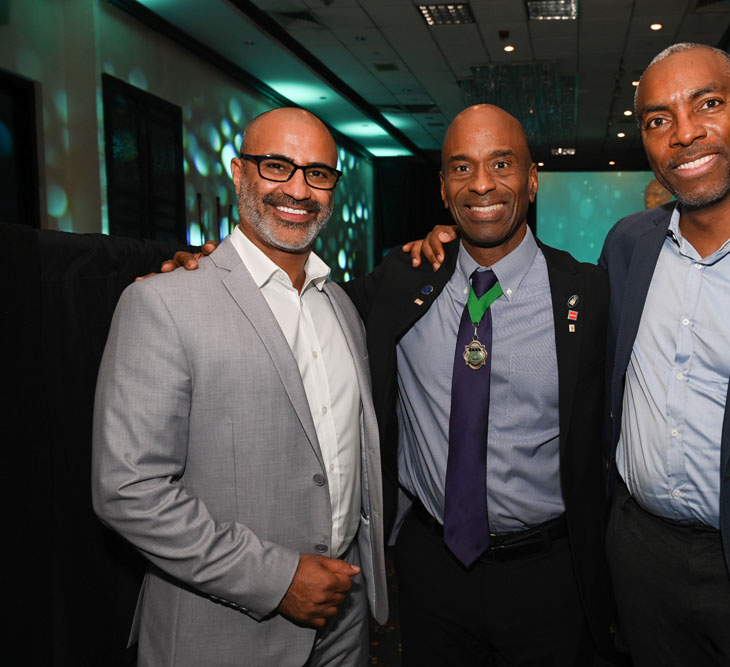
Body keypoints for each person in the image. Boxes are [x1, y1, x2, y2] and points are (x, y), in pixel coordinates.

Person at [414, 44, 730, 667]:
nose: (684, 133)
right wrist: (451, 244)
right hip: (639, 564)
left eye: (707, 105)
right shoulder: (628, 247)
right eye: (659, 119)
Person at [162, 104, 616, 664]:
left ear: (532, 178)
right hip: (430, 571)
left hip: (549, 574)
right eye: (461, 167)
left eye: (501, 164)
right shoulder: (405, 278)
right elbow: (294, 300)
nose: (482, 184)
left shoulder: (588, 294)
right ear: (443, 188)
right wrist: (210, 269)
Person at [92, 108, 387, 666]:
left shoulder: (340, 305)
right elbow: (128, 490)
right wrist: (279, 579)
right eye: (277, 165)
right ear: (237, 172)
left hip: (344, 617)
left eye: (318, 173)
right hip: (223, 631)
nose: (298, 189)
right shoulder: (163, 302)